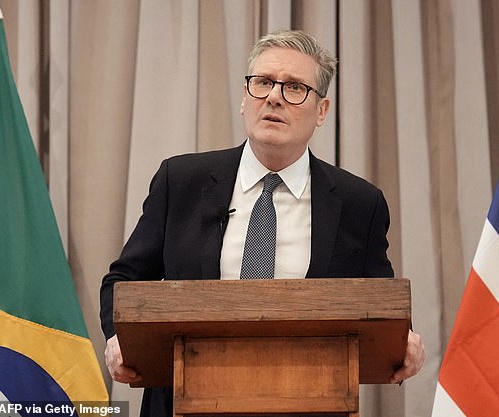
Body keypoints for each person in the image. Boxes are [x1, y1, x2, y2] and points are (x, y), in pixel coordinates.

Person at [100, 29, 425, 417]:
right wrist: (120, 337)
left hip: (309, 402)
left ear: (322, 111)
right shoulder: (182, 181)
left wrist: (403, 340)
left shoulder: (359, 203)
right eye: (263, 83)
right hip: (182, 403)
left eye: (294, 88)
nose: (273, 97)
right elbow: (123, 281)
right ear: (244, 99)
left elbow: (380, 305)